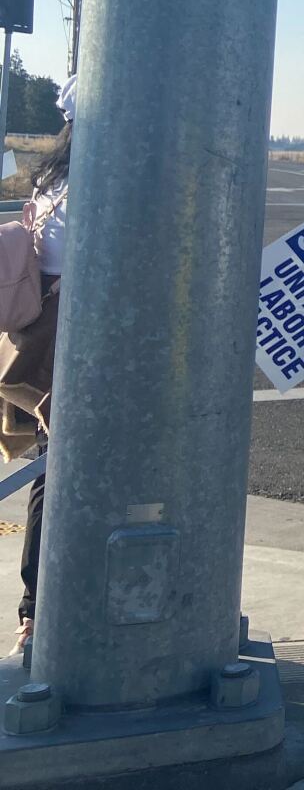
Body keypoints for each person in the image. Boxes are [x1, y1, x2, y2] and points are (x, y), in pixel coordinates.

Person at [2, 77, 73, 656]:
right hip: (69, 335)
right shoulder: (97, 180)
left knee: (54, 472)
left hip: (39, 333)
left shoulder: (52, 176)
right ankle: (38, 613)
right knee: (61, 473)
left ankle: (35, 615)